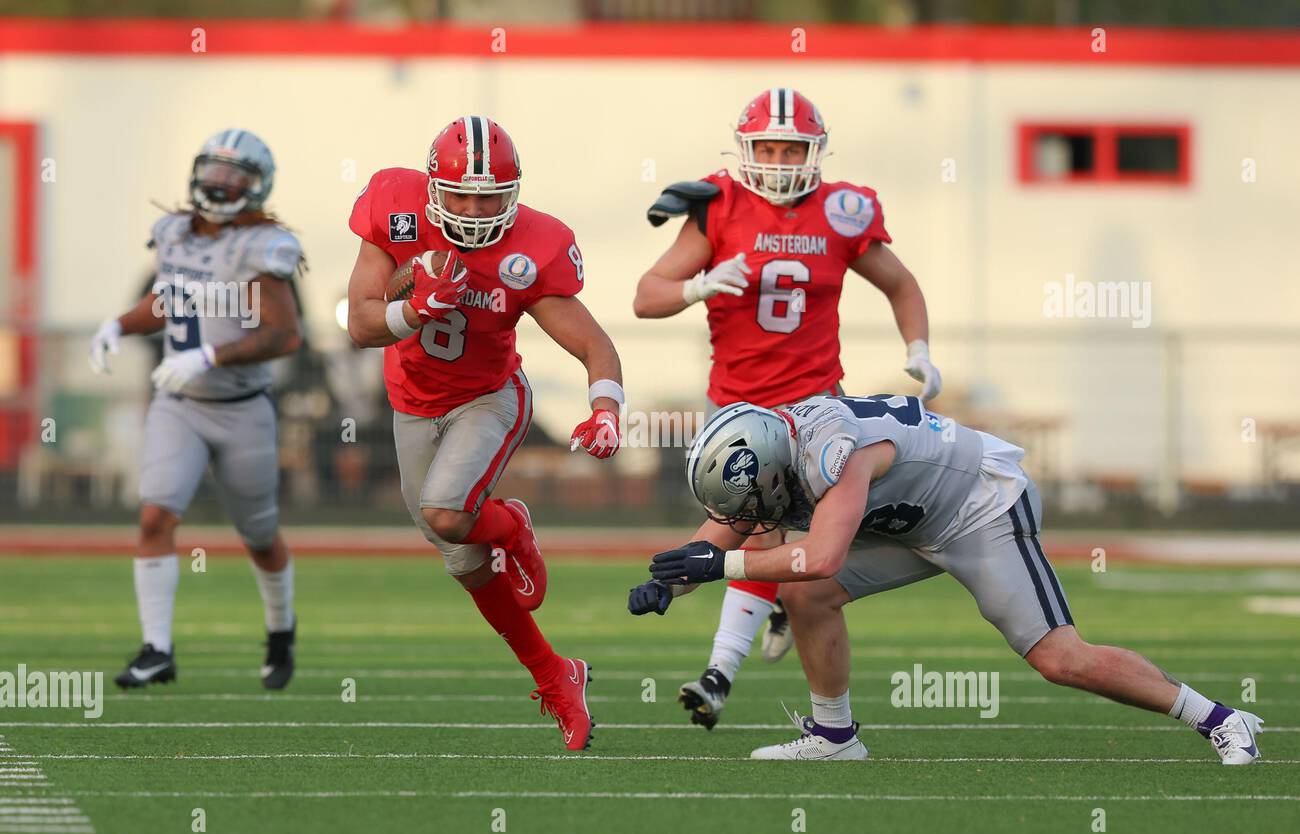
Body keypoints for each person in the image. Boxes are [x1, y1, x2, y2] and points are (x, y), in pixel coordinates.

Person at [630, 395, 1263, 764]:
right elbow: (723, 531)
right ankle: (835, 735)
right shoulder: (776, 455)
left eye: (748, 503)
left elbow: (819, 554)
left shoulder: (833, 454)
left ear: (771, 469)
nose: (743, 520)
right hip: (913, 520)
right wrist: (671, 582)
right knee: (804, 596)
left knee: (1059, 658)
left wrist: (720, 567)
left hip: (978, 506)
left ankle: (1222, 719)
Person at [633, 87, 941, 729]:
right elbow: (646, 297)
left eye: (791, 148)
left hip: (815, 403)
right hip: (737, 404)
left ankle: (720, 673)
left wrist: (918, 347)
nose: (777, 159)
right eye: (767, 147)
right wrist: (696, 286)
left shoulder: (843, 210)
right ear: (744, 150)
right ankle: (733, 653)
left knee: (760, 531)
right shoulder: (717, 205)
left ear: (815, 152)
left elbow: (900, 282)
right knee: (751, 527)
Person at [345, 115, 623, 750]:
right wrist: (414, 307)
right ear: (434, 188)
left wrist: (605, 410)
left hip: (490, 398)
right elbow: (360, 324)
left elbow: (595, 346)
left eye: (490, 195)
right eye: (462, 194)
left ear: (514, 192)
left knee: (447, 513)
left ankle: (514, 524)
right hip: (411, 403)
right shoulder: (396, 205)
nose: (474, 209)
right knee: (463, 558)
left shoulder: (532, 248)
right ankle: (558, 676)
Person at [89, 129, 304, 691]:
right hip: (179, 404)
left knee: (259, 534)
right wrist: (120, 323)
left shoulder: (265, 245)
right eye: (215, 170)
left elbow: (284, 335)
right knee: (156, 514)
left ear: (257, 187)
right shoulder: (174, 234)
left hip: (242, 406)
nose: (221, 184)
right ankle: (157, 649)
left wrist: (210, 354)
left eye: (235, 176)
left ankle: (281, 629)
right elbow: (167, 300)